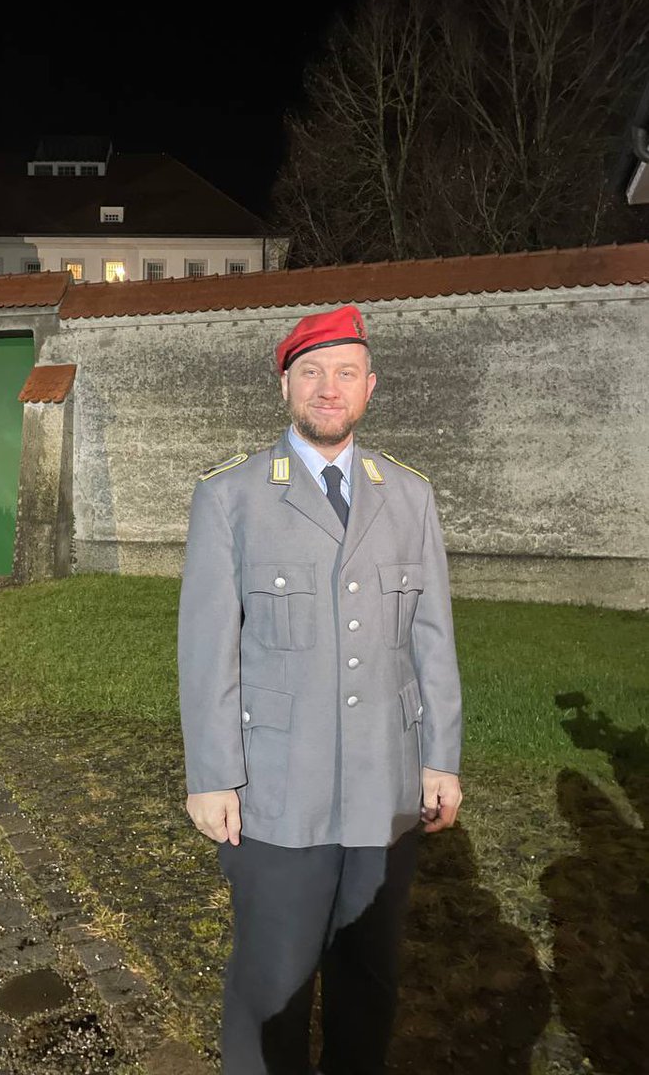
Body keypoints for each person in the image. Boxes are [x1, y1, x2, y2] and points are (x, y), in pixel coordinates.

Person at [178, 304, 463, 1075]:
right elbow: (208, 650)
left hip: (386, 786)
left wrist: (441, 760)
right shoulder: (232, 497)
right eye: (311, 372)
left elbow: (431, 637)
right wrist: (213, 778)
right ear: (286, 388)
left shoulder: (409, 496)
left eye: (344, 373)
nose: (327, 388)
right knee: (271, 986)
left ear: (371, 386)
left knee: (370, 981)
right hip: (277, 792)